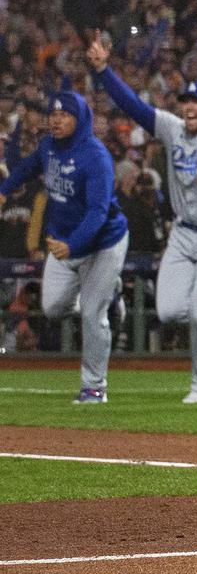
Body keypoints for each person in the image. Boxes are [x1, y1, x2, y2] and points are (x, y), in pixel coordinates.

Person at [88, 28, 197, 403]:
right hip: (185, 232)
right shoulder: (173, 130)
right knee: (170, 310)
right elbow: (134, 108)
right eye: (185, 101)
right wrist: (104, 70)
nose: (189, 107)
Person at [3, 87, 129, 402]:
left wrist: (72, 246)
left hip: (103, 243)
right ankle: (109, 295)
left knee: (91, 315)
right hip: (64, 240)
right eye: (53, 114)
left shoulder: (96, 156)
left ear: (80, 118)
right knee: (53, 308)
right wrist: (5, 189)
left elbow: (98, 213)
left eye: (64, 115)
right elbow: (26, 168)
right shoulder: (48, 147)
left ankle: (94, 387)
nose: (56, 121)